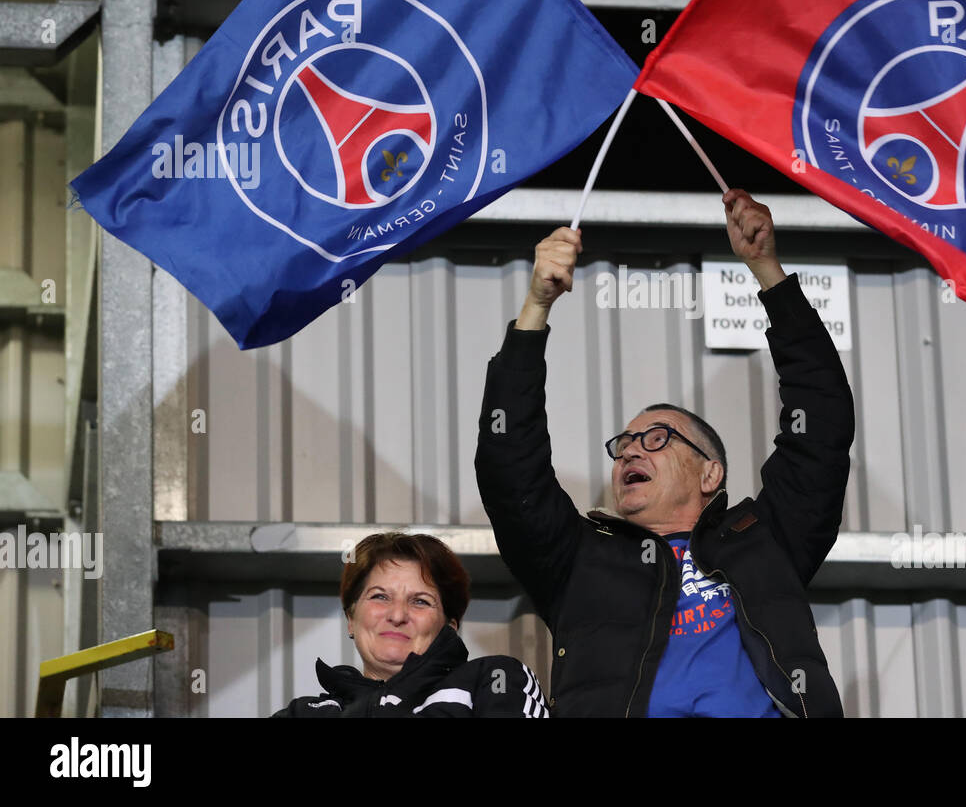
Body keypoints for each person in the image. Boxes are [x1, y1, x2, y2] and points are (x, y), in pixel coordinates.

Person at [475, 189, 855, 717]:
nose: (631, 449)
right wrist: (536, 307)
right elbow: (508, 464)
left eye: (656, 437)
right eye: (623, 444)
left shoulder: (767, 542)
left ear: (710, 473)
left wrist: (767, 270)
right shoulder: (577, 559)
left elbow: (823, 426)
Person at [272, 532, 548, 717]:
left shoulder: (493, 679)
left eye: (420, 601)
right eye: (380, 597)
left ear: (449, 626)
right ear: (351, 620)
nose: (397, 615)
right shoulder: (305, 712)